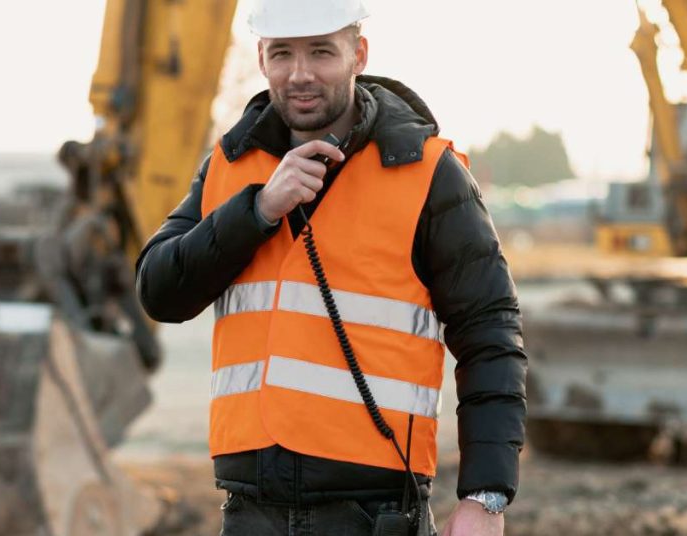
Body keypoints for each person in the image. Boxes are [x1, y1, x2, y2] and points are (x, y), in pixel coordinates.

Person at [135, 1, 527, 534]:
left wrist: (485, 498)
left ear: (357, 54)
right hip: (251, 512)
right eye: (283, 54)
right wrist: (257, 211)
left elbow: (491, 335)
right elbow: (159, 292)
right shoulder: (229, 168)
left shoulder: (427, 173)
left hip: (375, 512)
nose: (300, 73)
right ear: (261, 58)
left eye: (321, 51)